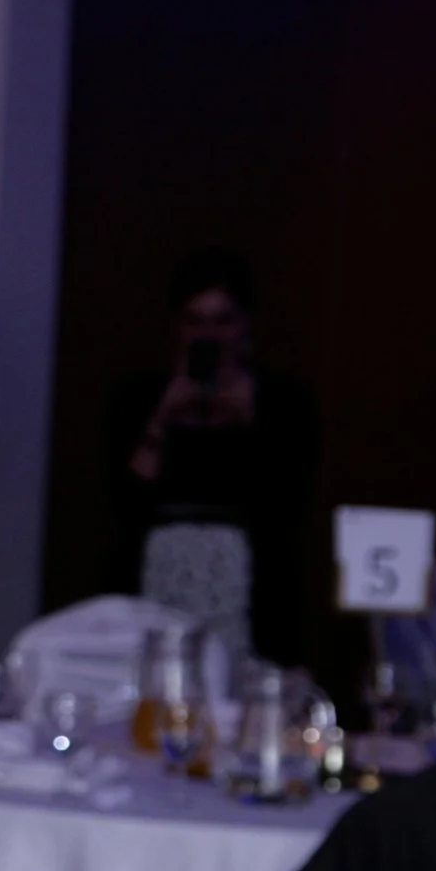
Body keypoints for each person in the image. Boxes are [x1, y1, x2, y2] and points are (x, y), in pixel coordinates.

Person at [104, 245, 318, 663]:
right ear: (176, 327)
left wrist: (250, 421)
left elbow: (290, 498)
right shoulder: (138, 399)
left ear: (245, 326)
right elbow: (121, 498)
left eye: (223, 321)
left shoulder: (284, 401)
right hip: (156, 576)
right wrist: (162, 419)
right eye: (195, 321)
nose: (210, 336)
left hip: (251, 588)